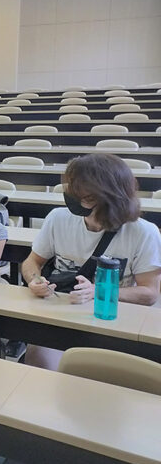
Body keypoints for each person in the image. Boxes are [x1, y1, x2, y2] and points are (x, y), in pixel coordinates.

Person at [21, 154, 161, 369]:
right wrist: (35, 280)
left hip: (114, 319)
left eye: (82, 192)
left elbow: (149, 293)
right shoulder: (58, 218)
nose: (71, 194)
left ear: (107, 195)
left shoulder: (144, 232)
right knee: (39, 362)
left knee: (105, 374)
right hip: (60, 313)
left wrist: (98, 291)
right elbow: (32, 262)